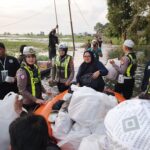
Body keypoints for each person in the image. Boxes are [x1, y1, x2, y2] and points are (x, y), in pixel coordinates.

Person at [16, 46, 50, 112]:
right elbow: (22, 90)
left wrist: (45, 91)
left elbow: (38, 83)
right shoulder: (22, 72)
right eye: (28, 57)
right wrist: (35, 99)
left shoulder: (36, 68)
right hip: (29, 103)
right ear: (24, 58)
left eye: (33, 56)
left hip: (39, 100)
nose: (31, 59)